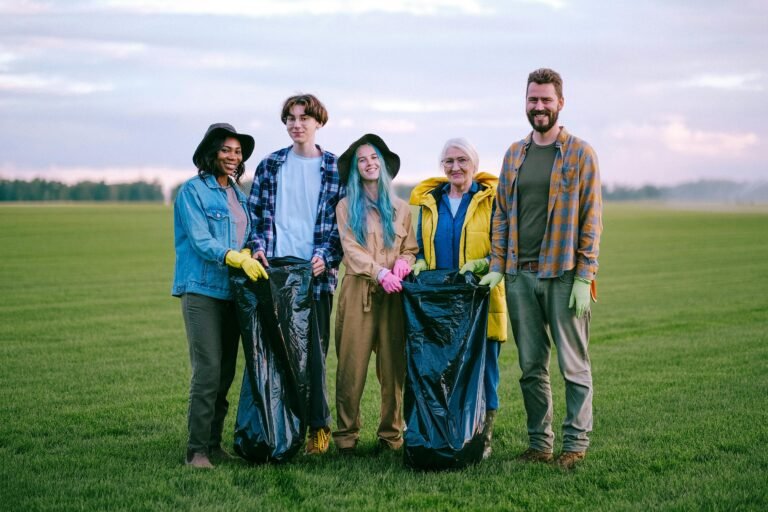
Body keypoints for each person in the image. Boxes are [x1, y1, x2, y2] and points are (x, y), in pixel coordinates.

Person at [480, 68, 602, 469]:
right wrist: (499, 266)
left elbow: (591, 218)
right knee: (531, 367)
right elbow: (501, 214)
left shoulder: (581, 153)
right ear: (526, 102)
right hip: (519, 274)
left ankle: (575, 443)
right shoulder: (515, 153)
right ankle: (539, 444)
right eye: (533, 99)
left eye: (546, 100)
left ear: (560, 103)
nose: (539, 107)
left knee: (573, 365)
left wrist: (586, 275)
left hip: (563, 272)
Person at [246, 93, 344, 455]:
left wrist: (326, 257)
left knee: (313, 356)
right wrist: (257, 247)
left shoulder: (335, 167)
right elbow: (257, 217)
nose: (296, 124)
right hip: (274, 275)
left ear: (319, 122)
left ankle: (319, 428)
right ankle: (281, 428)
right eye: (290, 117)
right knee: (276, 353)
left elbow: (341, 225)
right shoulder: (270, 165)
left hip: (315, 277)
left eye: (304, 118)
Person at [172, 123, 268, 468]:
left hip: (233, 292)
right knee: (208, 370)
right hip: (201, 291)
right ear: (211, 153)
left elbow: (250, 234)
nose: (233, 157)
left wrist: (252, 252)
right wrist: (233, 256)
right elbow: (200, 240)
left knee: (226, 372)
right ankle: (195, 450)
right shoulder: (193, 192)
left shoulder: (239, 195)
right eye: (226, 150)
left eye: (238, 152)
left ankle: (213, 445)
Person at [408, 137, 507, 460]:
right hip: (441, 305)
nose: (455, 167)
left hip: (480, 300)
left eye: (462, 160)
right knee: (441, 369)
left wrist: (484, 264)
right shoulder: (430, 203)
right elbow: (421, 246)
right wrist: (420, 261)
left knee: (485, 369)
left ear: (475, 165)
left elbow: (503, 247)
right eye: (449, 161)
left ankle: (483, 434)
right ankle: (447, 432)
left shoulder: (491, 201)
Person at [332, 133, 418, 455]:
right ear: (356, 169)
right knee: (351, 368)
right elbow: (350, 250)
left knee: (394, 369)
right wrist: (379, 272)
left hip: (394, 297)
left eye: (374, 158)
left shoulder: (401, 209)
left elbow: (411, 249)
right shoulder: (345, 207)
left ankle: (391, 437)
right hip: (359, 292)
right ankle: (346, 438)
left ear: (382, 164)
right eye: (362, 160)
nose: (369, 163)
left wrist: (402, 266)